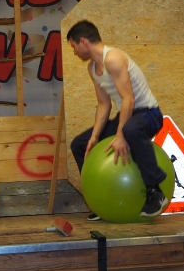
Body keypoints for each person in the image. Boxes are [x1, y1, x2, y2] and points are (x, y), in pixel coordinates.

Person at [67, 20, 169, 219]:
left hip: (149, 113)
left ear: (83, 41)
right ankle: (100, 201)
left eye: (74, 46)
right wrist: (94, 137)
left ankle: (155, 191)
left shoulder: (113, 58)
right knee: (79, 144)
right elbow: (104, 104)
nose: (74, 52)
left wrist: (121, 135)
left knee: (130, 130)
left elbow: (129, 99)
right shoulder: (92, 68)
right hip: (127, 115)